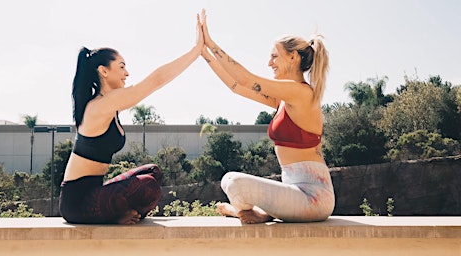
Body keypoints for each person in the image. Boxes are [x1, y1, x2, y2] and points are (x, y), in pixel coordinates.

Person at [59, 14, 204, 224]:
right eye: (121, 66)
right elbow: (155, 81)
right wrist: (195, 51)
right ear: (103, 71)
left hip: (95, 193)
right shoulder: (99, 106)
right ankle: (116, 217)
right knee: (147, 186)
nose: (127, 73)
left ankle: (118, 215)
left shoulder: (110, 103)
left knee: (153, 172)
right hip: (77, 203)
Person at [199, 10, 334, 224]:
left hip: (313, 197)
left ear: (293, 57)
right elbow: (236, 86)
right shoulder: (284, 100)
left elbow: (245, 79)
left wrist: (211, 43)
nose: (269, 63)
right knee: (228, 180)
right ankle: (260, 212)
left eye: (274, 56)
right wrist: (204, 53)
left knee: (234, 182)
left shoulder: (301, 93)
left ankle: (248, 212)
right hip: (293, 191)